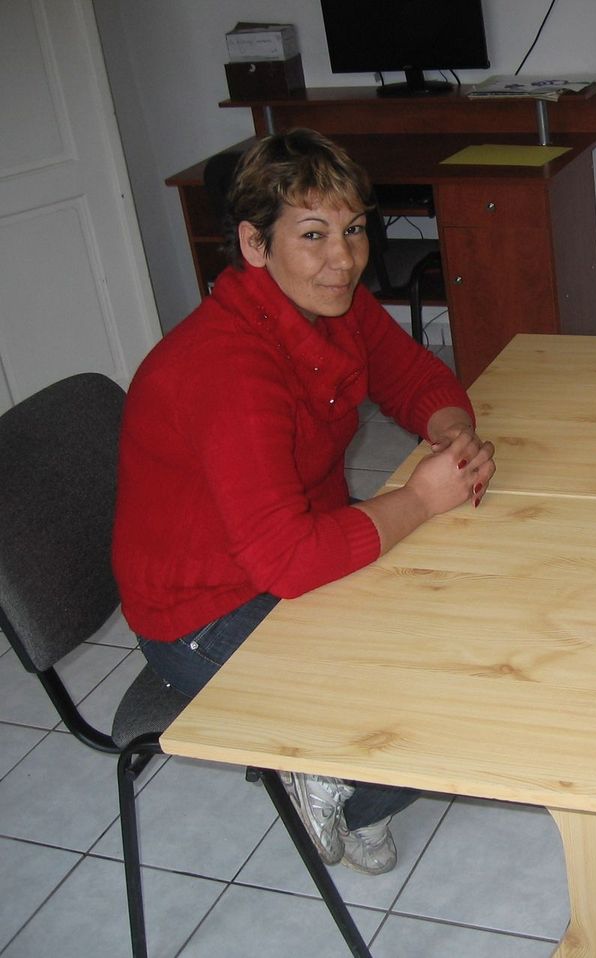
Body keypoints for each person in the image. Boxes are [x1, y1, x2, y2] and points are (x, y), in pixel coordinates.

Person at [113, 128, 496, 876]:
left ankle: (322, 747)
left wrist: (453, 432)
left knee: (463, 631)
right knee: (427, 710)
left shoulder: (332, 305)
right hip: (202, 611)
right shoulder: (228, 367)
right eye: (313, 234)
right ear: (254, 244)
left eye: (353, 230)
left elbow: (417, 378)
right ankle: (330, 778)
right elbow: (288, 562)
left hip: (295, 541)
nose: (344, 259)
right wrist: (420, 499)